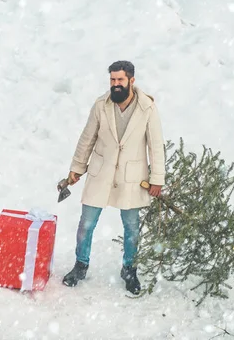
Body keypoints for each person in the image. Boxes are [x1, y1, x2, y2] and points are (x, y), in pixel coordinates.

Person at [62, 60, 166, 294]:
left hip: (132, 176)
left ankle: (129, 269)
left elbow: (156, 145)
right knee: (86, 224)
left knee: (131, 228)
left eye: (120, 80)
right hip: (101, 171)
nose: (116, 85)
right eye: (112, 80)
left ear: (131, 80)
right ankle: (81, 264)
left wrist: (157, 178)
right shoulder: (101, 105)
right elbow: (87, 138)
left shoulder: (147, 108)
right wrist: (77, 168)